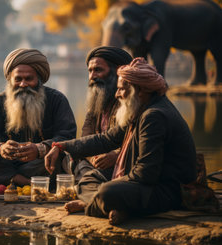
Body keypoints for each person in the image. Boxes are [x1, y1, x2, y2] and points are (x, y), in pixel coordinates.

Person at [45, 57, 196, 225]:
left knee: (107, 191)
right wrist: (61, 146)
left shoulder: (154, 116)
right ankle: (114, 206)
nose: (117, 94)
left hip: (167, 190)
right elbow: (106, 139)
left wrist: (112, 184)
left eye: (122, 89)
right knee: (87, 180)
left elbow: (145, 174)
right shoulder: (140, 109)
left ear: (139, 90)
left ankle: (93, 204)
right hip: (146, 184)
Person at [0, 48, 77, 186]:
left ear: (39, 79)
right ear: (10, 80)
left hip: (38, 164)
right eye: (18, 79)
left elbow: (68, 136)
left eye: (29, 79)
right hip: (4, 165)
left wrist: (40, 149)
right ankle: (23, 181)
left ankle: (14, 180)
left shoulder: (57, 100)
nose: (23, 84)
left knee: (57, 159)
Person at [73, 46, 132, 206]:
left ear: (118, 71)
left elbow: (137, 144)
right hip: (96, 164)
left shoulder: (131, 102)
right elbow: (86, 139)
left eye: (98, 70)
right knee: (70, 160)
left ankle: (97, 200)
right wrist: (92, 157)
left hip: (122, 165)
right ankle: (97, 195)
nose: (92, 76)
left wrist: (115, 156)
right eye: (90, 71)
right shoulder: (96, 101)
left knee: (87, 176)